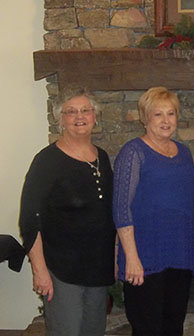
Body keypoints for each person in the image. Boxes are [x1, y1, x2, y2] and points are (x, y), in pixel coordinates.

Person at [19, 88, 116, 336]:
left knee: (93, 331)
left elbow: (108, 214)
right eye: (70, 112)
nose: (79, 116)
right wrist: (39, 269)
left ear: (95, 116)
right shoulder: (47, 161)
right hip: (62, 271)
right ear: (60, 119)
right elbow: (29, 219)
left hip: (97, 268)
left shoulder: (101, 158)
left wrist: (114, 257)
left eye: (85, 110)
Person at [113, 87, 194, 335]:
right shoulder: (133, 152)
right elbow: (121, 208)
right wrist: (132, 257)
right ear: (145, 118)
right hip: (144, 257)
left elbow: (187, 204)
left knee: (174, 327)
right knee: (147, 328)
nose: (165, 121)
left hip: (179, 252)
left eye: (170, 114)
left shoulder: (184, 152)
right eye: (157, 114)